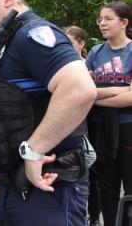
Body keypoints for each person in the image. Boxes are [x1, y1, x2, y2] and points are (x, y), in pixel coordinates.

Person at [0, 0, 97, 225]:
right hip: (16, 188)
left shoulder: (32, 34)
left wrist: (33, 151)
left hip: (48, 191)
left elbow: (79, 88)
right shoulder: (6, 43)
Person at [86, 1, 132, 226]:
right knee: (107, 187)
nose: (102, 23)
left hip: (128, 127)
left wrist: (98, 96)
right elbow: (84, 91)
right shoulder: (95, 52)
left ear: (124, 22)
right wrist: (121, 89)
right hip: (100, 129)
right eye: (100, 19)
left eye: (108, 19)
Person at [65, 25, 101, 225]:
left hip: (91, 124)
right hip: (74, 125)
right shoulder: (60, 65)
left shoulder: (86, 65)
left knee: (91, 174)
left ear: (81, 43)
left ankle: (94, 217)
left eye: (70, 42)